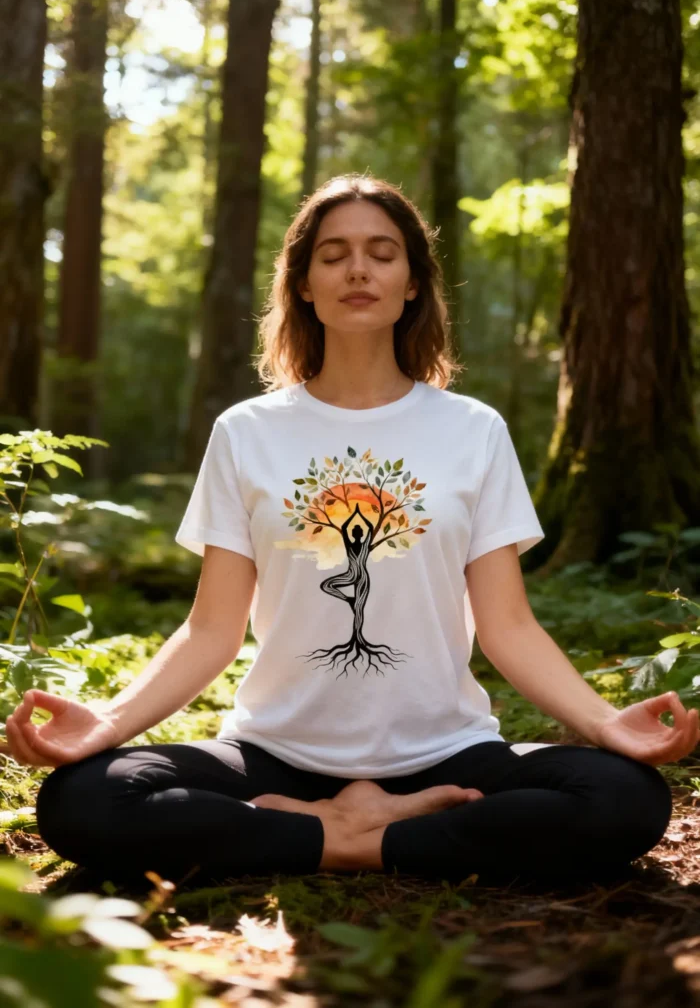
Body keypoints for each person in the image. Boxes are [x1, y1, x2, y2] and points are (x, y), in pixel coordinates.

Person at [6, 175, 697, 889]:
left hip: (445, 753)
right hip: (275, 756)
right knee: (83, 801)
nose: (358, 270)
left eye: (382, 252)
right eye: (333, 254)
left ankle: (351, 834)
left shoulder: (473, 431)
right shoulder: (247, 433)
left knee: (625, 800)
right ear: (303, 283)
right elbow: (212, 629)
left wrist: (607, 723)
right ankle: (367, 835)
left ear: (412, 283)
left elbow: (508, 628)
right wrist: (108, 724)